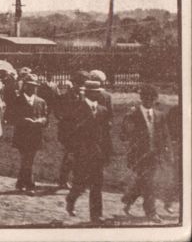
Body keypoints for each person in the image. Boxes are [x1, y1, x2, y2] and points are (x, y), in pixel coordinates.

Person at [65, 80, 113, 224]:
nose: (98, 94)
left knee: (97, 184)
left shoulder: (103, 110)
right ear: (87, 92)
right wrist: (71, 151)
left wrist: (108, 152)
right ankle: (71, 199)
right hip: (81, 152)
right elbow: (70, 133)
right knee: (80, 182)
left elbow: (106, 134)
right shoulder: (77, 108)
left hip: (97, 153)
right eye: (95, 92)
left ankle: (96, 215)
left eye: (99, 92)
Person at [120, 84, 168, 222]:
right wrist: (128, 124)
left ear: (155, 99)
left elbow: (165, 136)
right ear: (141, 98)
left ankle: (128, 200)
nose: (148, 101)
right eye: (145, 98)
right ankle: (151, 213)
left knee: (146, 182)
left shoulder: (160, 115)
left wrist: (167, 153)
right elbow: (123, 136)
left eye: (151, 98)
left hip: (154, 156)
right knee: (149, 183)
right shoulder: (132, 114)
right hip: (138, 157)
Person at [11, 74, 48, 194]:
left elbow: (46, 117)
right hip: (22, 134)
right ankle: (30, 184)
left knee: (28, 159)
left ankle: (21, 182)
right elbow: (10, 116)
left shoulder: (41, 101)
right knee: (27, 159)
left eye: (35, 86)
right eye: (30, 86)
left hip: (35, 135)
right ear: (25, 86)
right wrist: (24, 120)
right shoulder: (17, 100)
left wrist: (40, 121)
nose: (33, 88)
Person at [54, 79, 82, 188]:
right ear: (74, 83)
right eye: (79, 83)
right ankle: (64, 180)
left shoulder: (82, 95)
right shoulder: (66, 96)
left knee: (77, 155)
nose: (81, 86)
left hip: (79, 130)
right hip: (68, 131)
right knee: (71, 154)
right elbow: (58, 112)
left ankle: (68, 180)